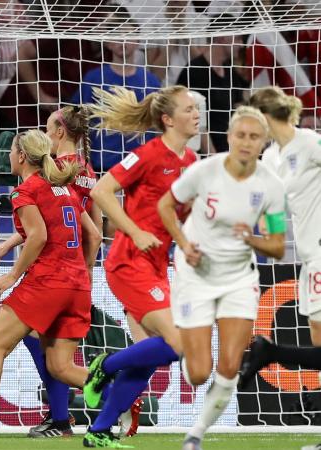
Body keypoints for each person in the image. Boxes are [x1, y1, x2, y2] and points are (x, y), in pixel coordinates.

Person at [0, 130, 101, 439]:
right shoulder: (65, 188)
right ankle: (120, 393)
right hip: (77, 287)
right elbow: (95, 235)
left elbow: (39, 236)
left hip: (47, 282)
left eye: (11, 152)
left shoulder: (25, 191)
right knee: (61, 366)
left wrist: (11, 275)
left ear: (20, 156)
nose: (7, 156)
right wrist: (80, 275)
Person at [158, 106, 286, 450]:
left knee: (230, 365)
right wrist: (183, 244)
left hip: (239, 280)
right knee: (199, 373)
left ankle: (195, 434)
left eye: (254, 136)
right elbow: (165, 206)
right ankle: (188, 355)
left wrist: (251, 239)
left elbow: (276, 246)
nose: (246, 142)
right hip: (196, 275)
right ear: (229, 137)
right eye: (240, 135)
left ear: (263, 142)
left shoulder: (272, 188)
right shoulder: (204, 171)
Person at [83, 85, 199, 448]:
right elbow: (101, 191)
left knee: (150, 356)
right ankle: (106, 364)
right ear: (167, 119)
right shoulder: (147, 155)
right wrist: (134, 231)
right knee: (178, 343)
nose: (197, 114)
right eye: (189, 109)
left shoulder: (191, 161)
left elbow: (184, 215)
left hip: (157, 267)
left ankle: (98, 433)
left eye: (197, 108)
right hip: (128, 263)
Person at [0, 107, 102, 439]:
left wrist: (13, 253)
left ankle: (61, 415)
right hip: (74, 272)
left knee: (25, 340)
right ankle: (67, 413)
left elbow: (41, 224)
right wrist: (88, 272)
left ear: (60, 133)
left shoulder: (57, 169)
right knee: (51, 353)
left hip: (51, 270)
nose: (46, 133)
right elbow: (90, 230)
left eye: (49, 128)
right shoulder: (86, 170)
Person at [240, 87, 321, 450]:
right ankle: (271, 352)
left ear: (267, 117)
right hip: (309, 260)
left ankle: (271, 353)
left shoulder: (310, 143)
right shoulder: (272, 158)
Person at [70, 19, 161, 173]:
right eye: (118, 35)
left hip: (142, 164)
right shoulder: (94, 78)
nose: (123, 41)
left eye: (129, 34)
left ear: (138, 40)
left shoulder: (150, 81)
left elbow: (159, 122)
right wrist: (81, 159)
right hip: (103, 163)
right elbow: (76, 117)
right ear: (108, 43)